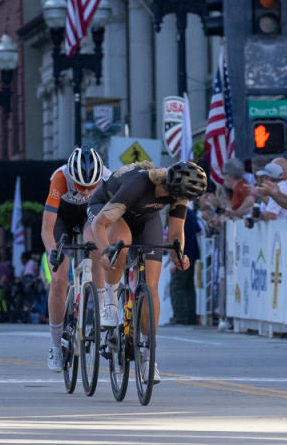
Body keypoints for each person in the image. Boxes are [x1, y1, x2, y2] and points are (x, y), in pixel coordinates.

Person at [89, 160, 208, 383]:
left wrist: (178, 255)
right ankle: (111, 302)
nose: (181, 200)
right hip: (106, 208)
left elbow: (175, 232)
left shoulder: (180, 191)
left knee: (151, 286)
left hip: (144, 217)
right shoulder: (138, 184)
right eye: (181, 196)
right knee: (121, 245)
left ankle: (148, 356)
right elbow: (99, 225)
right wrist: (106, 251)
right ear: (170, 187)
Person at [41, 145, 109, 371]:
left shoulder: (107, 178)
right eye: (80, 186)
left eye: (91, 186)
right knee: (59, 279)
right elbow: (47, 229)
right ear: (72, 176)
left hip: (88, 216)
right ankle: (55, 346)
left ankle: (101, 310)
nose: (86, 191)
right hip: (62, 217)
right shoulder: (60, 178)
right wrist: (53, 253)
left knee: (96, 246)